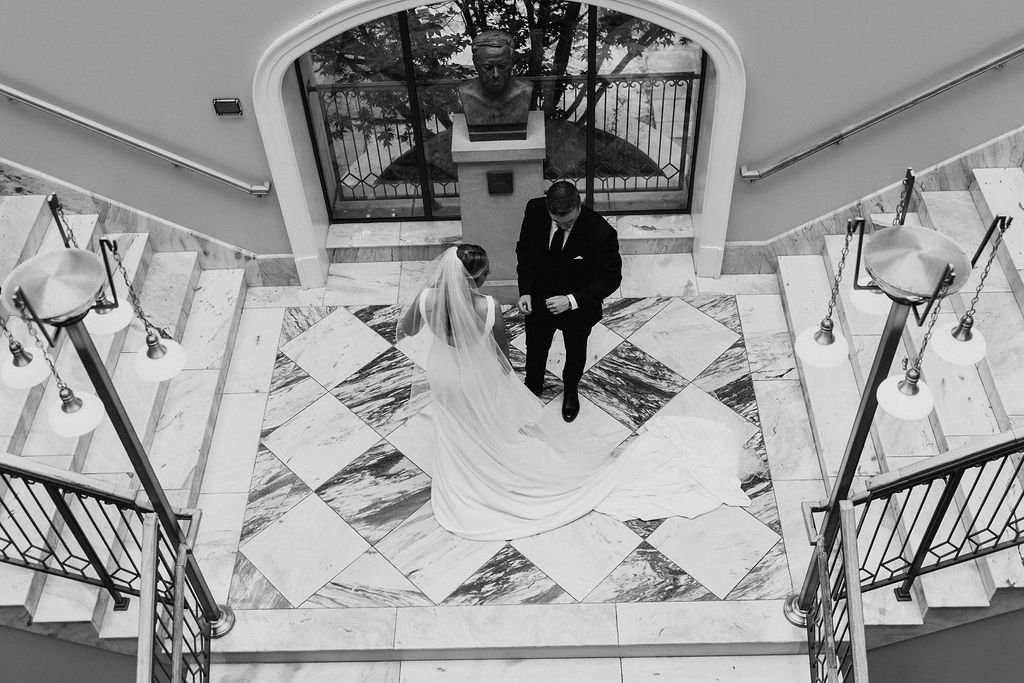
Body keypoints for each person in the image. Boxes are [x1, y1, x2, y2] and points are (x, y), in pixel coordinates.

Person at [398, 244, 754, 542]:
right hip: (474, 379)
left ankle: (463, 463)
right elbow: (501, 355)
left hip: (443, 375)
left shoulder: (428, 298)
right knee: (479, 419)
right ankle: (486, 454)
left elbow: (407, 329)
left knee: (454, 420)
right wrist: (500, 386)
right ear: (479, 278)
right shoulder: (487, 307)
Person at [516, 181, 621, 422]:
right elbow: (525, 252)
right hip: (539, 301)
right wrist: (526, 291)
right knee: (535, 347)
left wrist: (571, 300)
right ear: (548, 208)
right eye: (558, 222)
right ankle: (532, 386)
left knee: (575, 352)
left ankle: (571, 389)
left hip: (578, 308)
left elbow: (611, 279)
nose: (563, 226)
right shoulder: (534, 210)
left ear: (579, 205)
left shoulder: (601, 233)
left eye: (569, 223)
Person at [458, 30, 532, 138]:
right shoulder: (465, 92)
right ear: (476, 64)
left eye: (502, 66)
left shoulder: (525, 90)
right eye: (488, 68)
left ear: (512, 63)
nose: (496, 74)